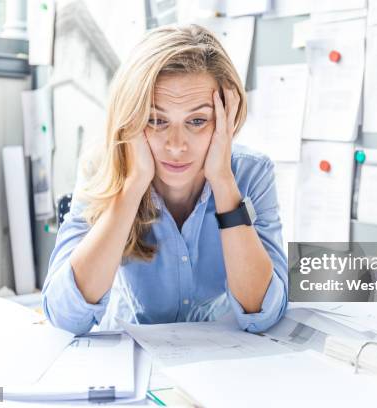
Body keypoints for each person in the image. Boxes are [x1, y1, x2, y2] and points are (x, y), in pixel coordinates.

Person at [41, 24, 288, 335]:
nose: (176, 145)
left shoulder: (253, 174)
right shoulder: (100, 168)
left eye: (197, 121)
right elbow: (65, 316)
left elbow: (262, 315)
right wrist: (132, 186)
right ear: (131, 118)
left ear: (227, 117)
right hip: (127, 350)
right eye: (156, 120)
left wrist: (223, 182)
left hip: (219, 357)